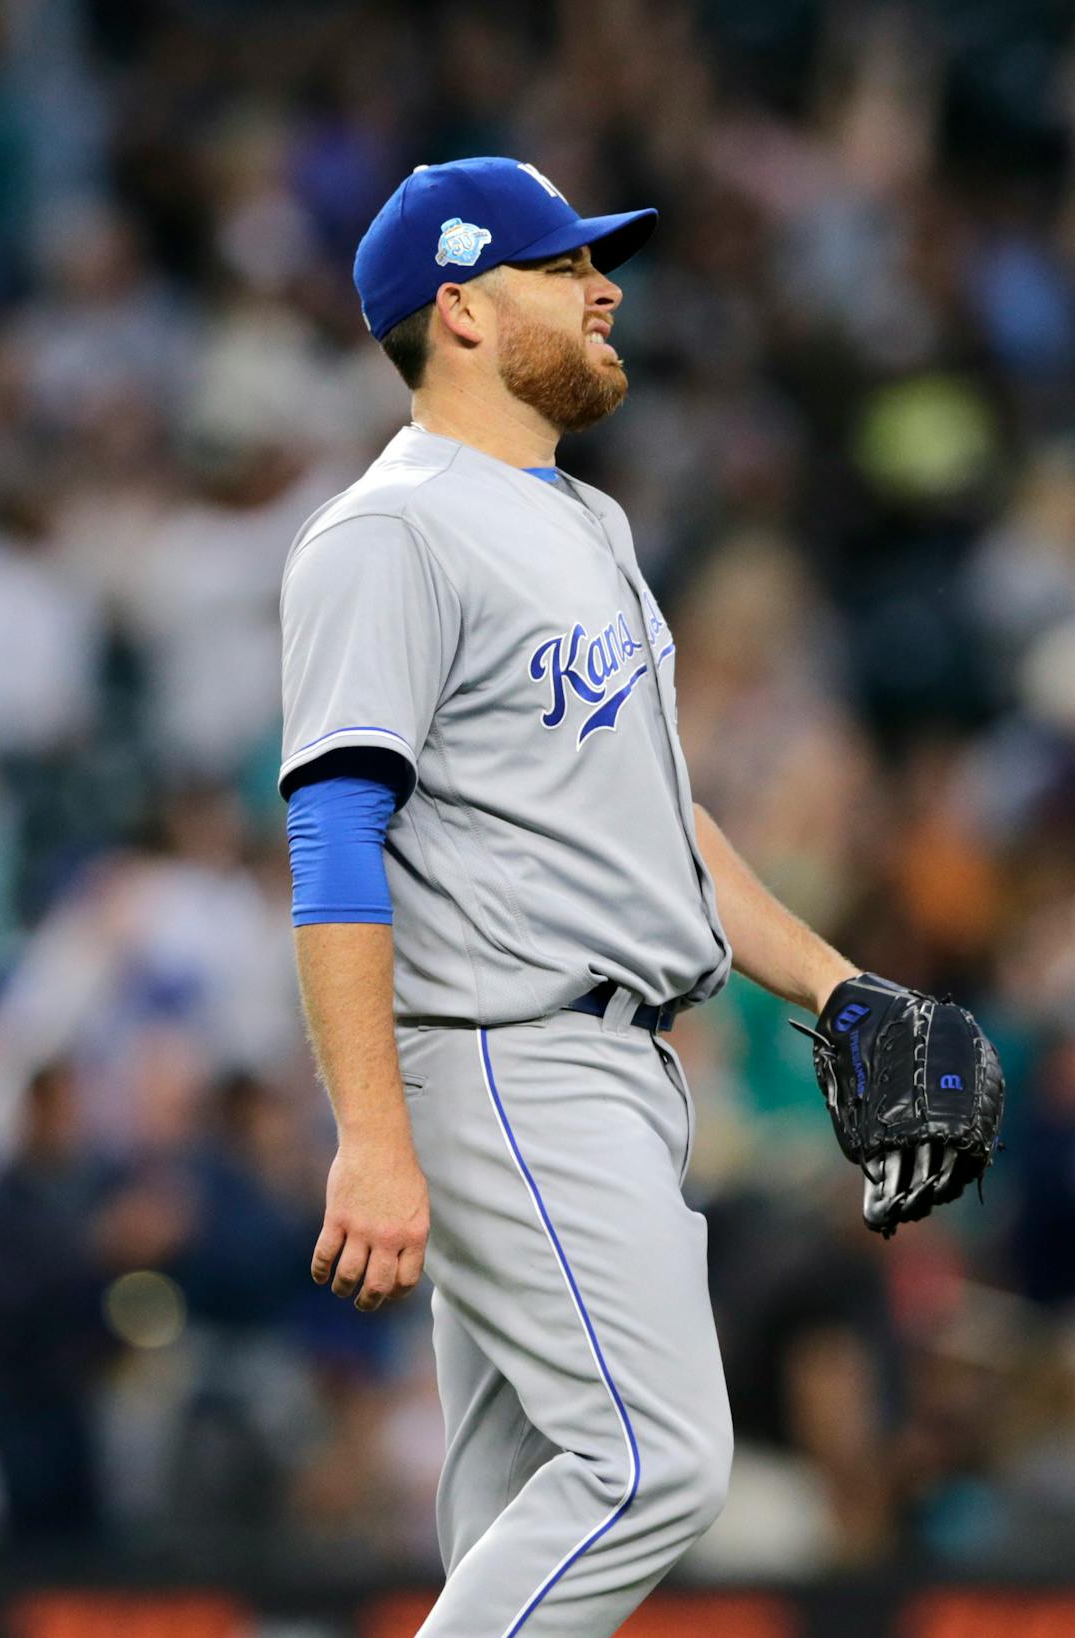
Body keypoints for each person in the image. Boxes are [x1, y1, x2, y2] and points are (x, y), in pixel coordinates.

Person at [277, 157, 988, 1637]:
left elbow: (665, 825)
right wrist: (370, 1133)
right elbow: (337, 834)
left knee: (522, 1504)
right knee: (655, 1460)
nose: (605, 289)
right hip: (504, 1051)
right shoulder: (387, 532)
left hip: (608, 1059)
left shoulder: (585, 525)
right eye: (562, 267)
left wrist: (837, 984)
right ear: (460, 310)